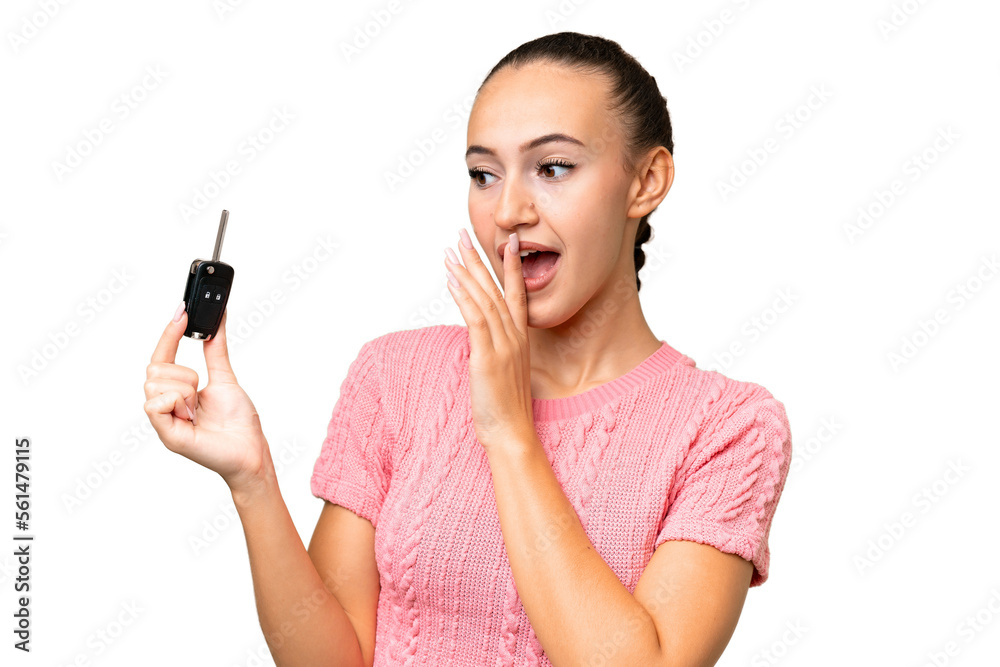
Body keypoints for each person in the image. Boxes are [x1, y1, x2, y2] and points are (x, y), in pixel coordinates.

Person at [143, 31, 792, 667]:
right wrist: (252, 479)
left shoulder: (729, 427)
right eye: (484, 174)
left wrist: (509, 431)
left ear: (646, 181)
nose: (508, 210)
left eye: (553, 167)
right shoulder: (395, 376)